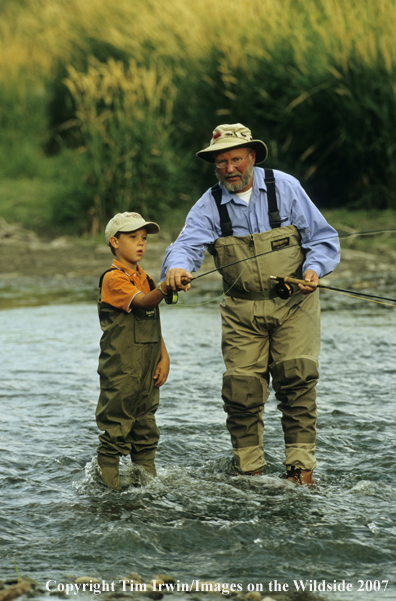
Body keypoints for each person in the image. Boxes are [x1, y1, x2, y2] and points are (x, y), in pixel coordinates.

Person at [160, 123, 340, 485]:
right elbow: (185, 245)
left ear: (252, 157)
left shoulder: (286, 187)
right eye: (221, 162)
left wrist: (313, 270)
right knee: (241, 394)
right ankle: (249, 476)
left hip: (295, 305)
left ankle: (300, 473)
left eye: (235, 159)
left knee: (297, 383)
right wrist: (177, 268)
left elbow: (323, 239)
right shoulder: (208, 204)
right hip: (241, 312)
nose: (229, 169)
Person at [95, 212, 186, 491]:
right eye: (132, 237)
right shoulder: (114, 278)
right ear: (114, 241)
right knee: (116, 428)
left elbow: (153, 322)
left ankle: (147, 487)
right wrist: (165, 286)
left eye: (144, 238)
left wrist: (164, 356)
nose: (140, 243)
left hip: (147, 368)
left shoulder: (145, 277)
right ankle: (109, 489)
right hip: (121, 370)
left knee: (146, 428)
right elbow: (145, 303)